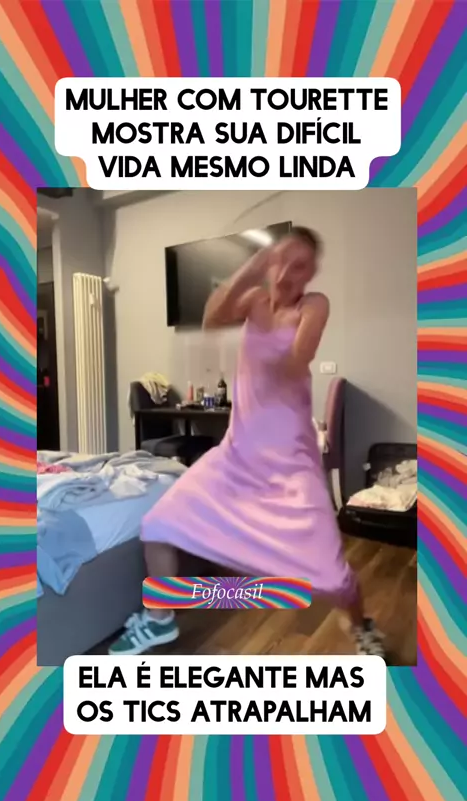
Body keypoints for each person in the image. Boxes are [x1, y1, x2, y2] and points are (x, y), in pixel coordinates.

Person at [109, 227, 385, 657]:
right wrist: (251, 269)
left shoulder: (313, 305)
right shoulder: (254, 300)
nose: (288, 273)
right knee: (157, 526)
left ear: (312, 272)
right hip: (237, 456)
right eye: (282, 261)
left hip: (291, 463)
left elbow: (299, 359)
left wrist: (275, 350)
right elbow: (211, 318)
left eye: (300, 266)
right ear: (270, 263)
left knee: (332, 579)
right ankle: (159, 619)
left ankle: (360, 623)